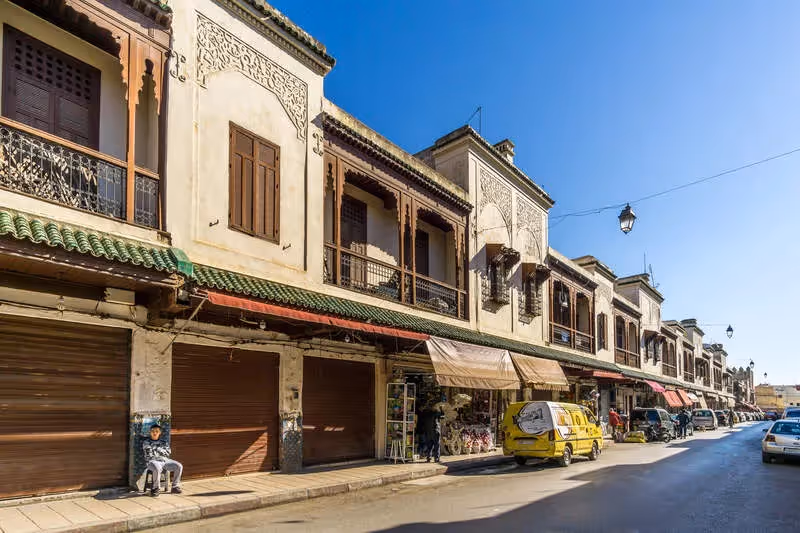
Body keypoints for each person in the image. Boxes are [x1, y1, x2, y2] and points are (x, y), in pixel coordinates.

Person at [143, 424, 183, 497]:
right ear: (150, 432)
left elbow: (168, 452)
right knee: (157, 466)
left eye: (157, 431)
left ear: (160, 432)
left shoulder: (164, 442)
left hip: (165, 460)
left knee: (179, 466)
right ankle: (155, 489)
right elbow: (150, 454)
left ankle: (175, 487)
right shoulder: (146, 442)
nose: (154, 433)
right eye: (153, 431)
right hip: (152, 461)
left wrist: (156, 449)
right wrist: (161, 451)